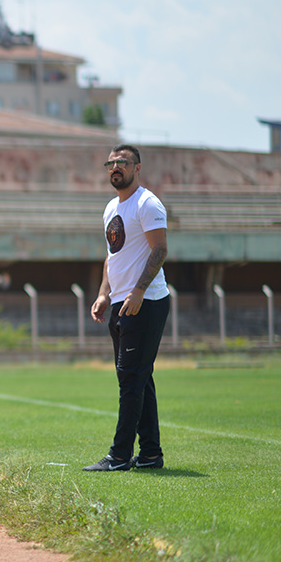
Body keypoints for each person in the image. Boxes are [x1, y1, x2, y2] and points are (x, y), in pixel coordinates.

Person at [84, 144, 170, 472]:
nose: (115, 167)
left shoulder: (147, 204)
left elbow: (160, 249)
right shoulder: (110, 207)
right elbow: (113, 255)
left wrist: (137, 291)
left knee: (131, 379)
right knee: (138, 378)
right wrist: (105, 294)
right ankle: (149, 454)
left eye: (123, 162)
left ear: (137, 168)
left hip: (145, 302)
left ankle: (119, 456)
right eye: (111, 163)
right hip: (120, 302)